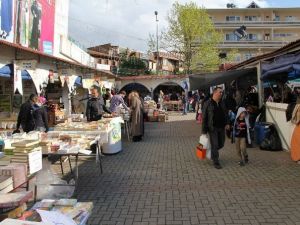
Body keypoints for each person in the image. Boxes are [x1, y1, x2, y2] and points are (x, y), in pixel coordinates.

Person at [202, 87, 230, 169]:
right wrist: (203, 131)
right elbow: (204, 117)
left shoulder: (222, 103)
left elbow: (226, 114)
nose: (221, 94)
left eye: (222, 92)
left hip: (221, 127)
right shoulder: (207, 103)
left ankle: (212, 153)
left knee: (221, 144)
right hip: (212, 128)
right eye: (220, 92)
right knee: (215, 144)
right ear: (214, 93)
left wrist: (227, 123)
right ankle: (216, 161)